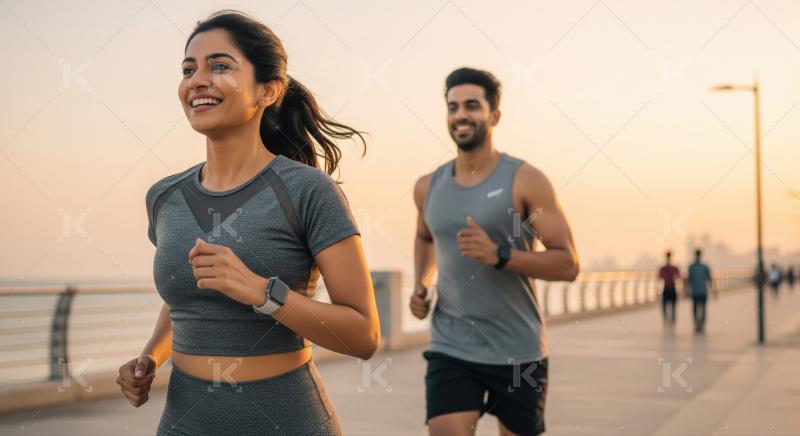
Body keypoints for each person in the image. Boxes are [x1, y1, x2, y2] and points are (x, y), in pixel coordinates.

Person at [115, 10, 380, 435]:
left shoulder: (309, 190)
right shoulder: (164, 196)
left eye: (220, 66)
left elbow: (364, 336)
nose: (197, 80)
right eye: (188, 69)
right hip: (184, 423)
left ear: (268, 90)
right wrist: (150, 357)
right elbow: (186, 297)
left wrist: (260, 291)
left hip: (288, 421)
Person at [410, 67, 579, 436]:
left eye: (472, 105)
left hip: (518, 351)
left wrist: (500, 255)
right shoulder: (427, 187)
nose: (460, 115)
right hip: (451, 345)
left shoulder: (526, 180)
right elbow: (426, 238)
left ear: (494, 116)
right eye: (453, 107)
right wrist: (421, 283)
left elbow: (567, 264)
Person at [688, 249, 713, 334]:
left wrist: (687, 290)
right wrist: (714, 290)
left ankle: (698, 325)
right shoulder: (704, 267)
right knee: (702, 309)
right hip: (702, 291)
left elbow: (689, 280)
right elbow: (710, 279)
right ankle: (700, 325)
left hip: (696, 292)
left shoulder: (692, 267)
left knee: (696, 309)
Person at [658, 251, 680, 325]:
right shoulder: (665, 268)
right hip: (667, 288)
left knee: (672, 306)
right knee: (666, 305)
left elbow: (660, 277)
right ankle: (667, 319)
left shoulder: (671, 268)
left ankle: (671, 319)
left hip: (670, 287)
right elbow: (660, 277)